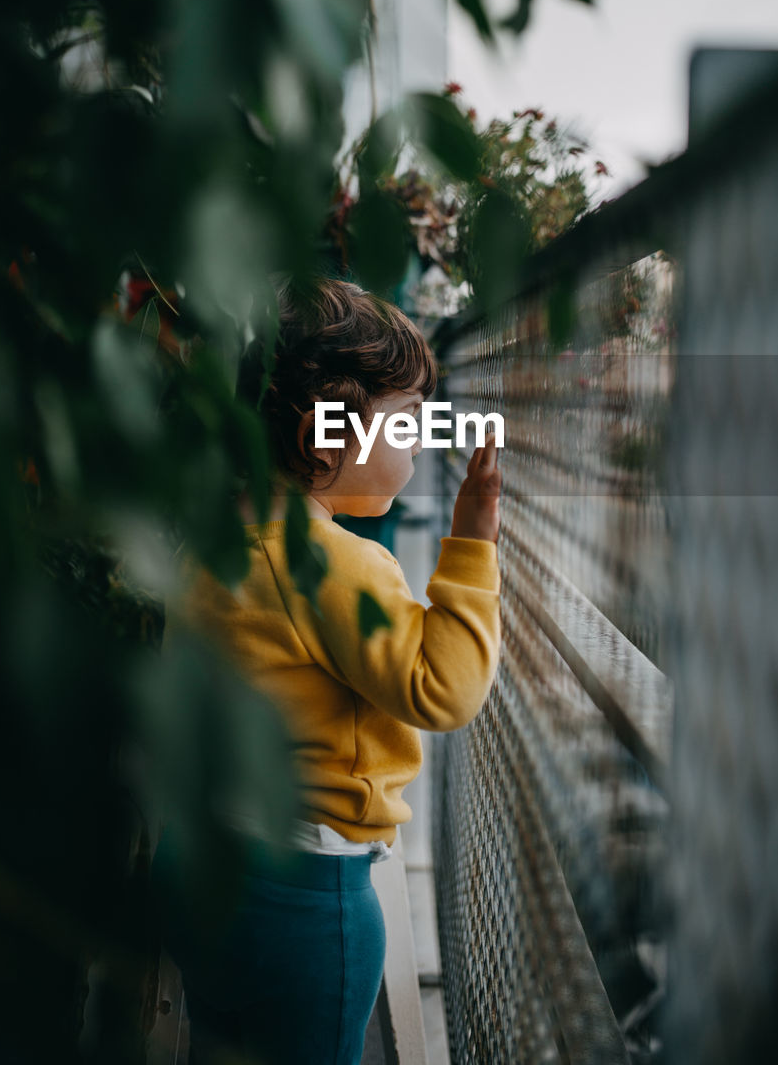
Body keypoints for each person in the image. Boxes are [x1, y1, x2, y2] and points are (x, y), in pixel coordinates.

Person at [155, 277, 501, 1065]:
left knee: (218, 1042)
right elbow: (442, 690)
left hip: (196, 861)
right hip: (304, 903)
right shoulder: (343, 567)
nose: (419, 439)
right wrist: (472, 546)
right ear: (322, 436)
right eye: (406, 421)